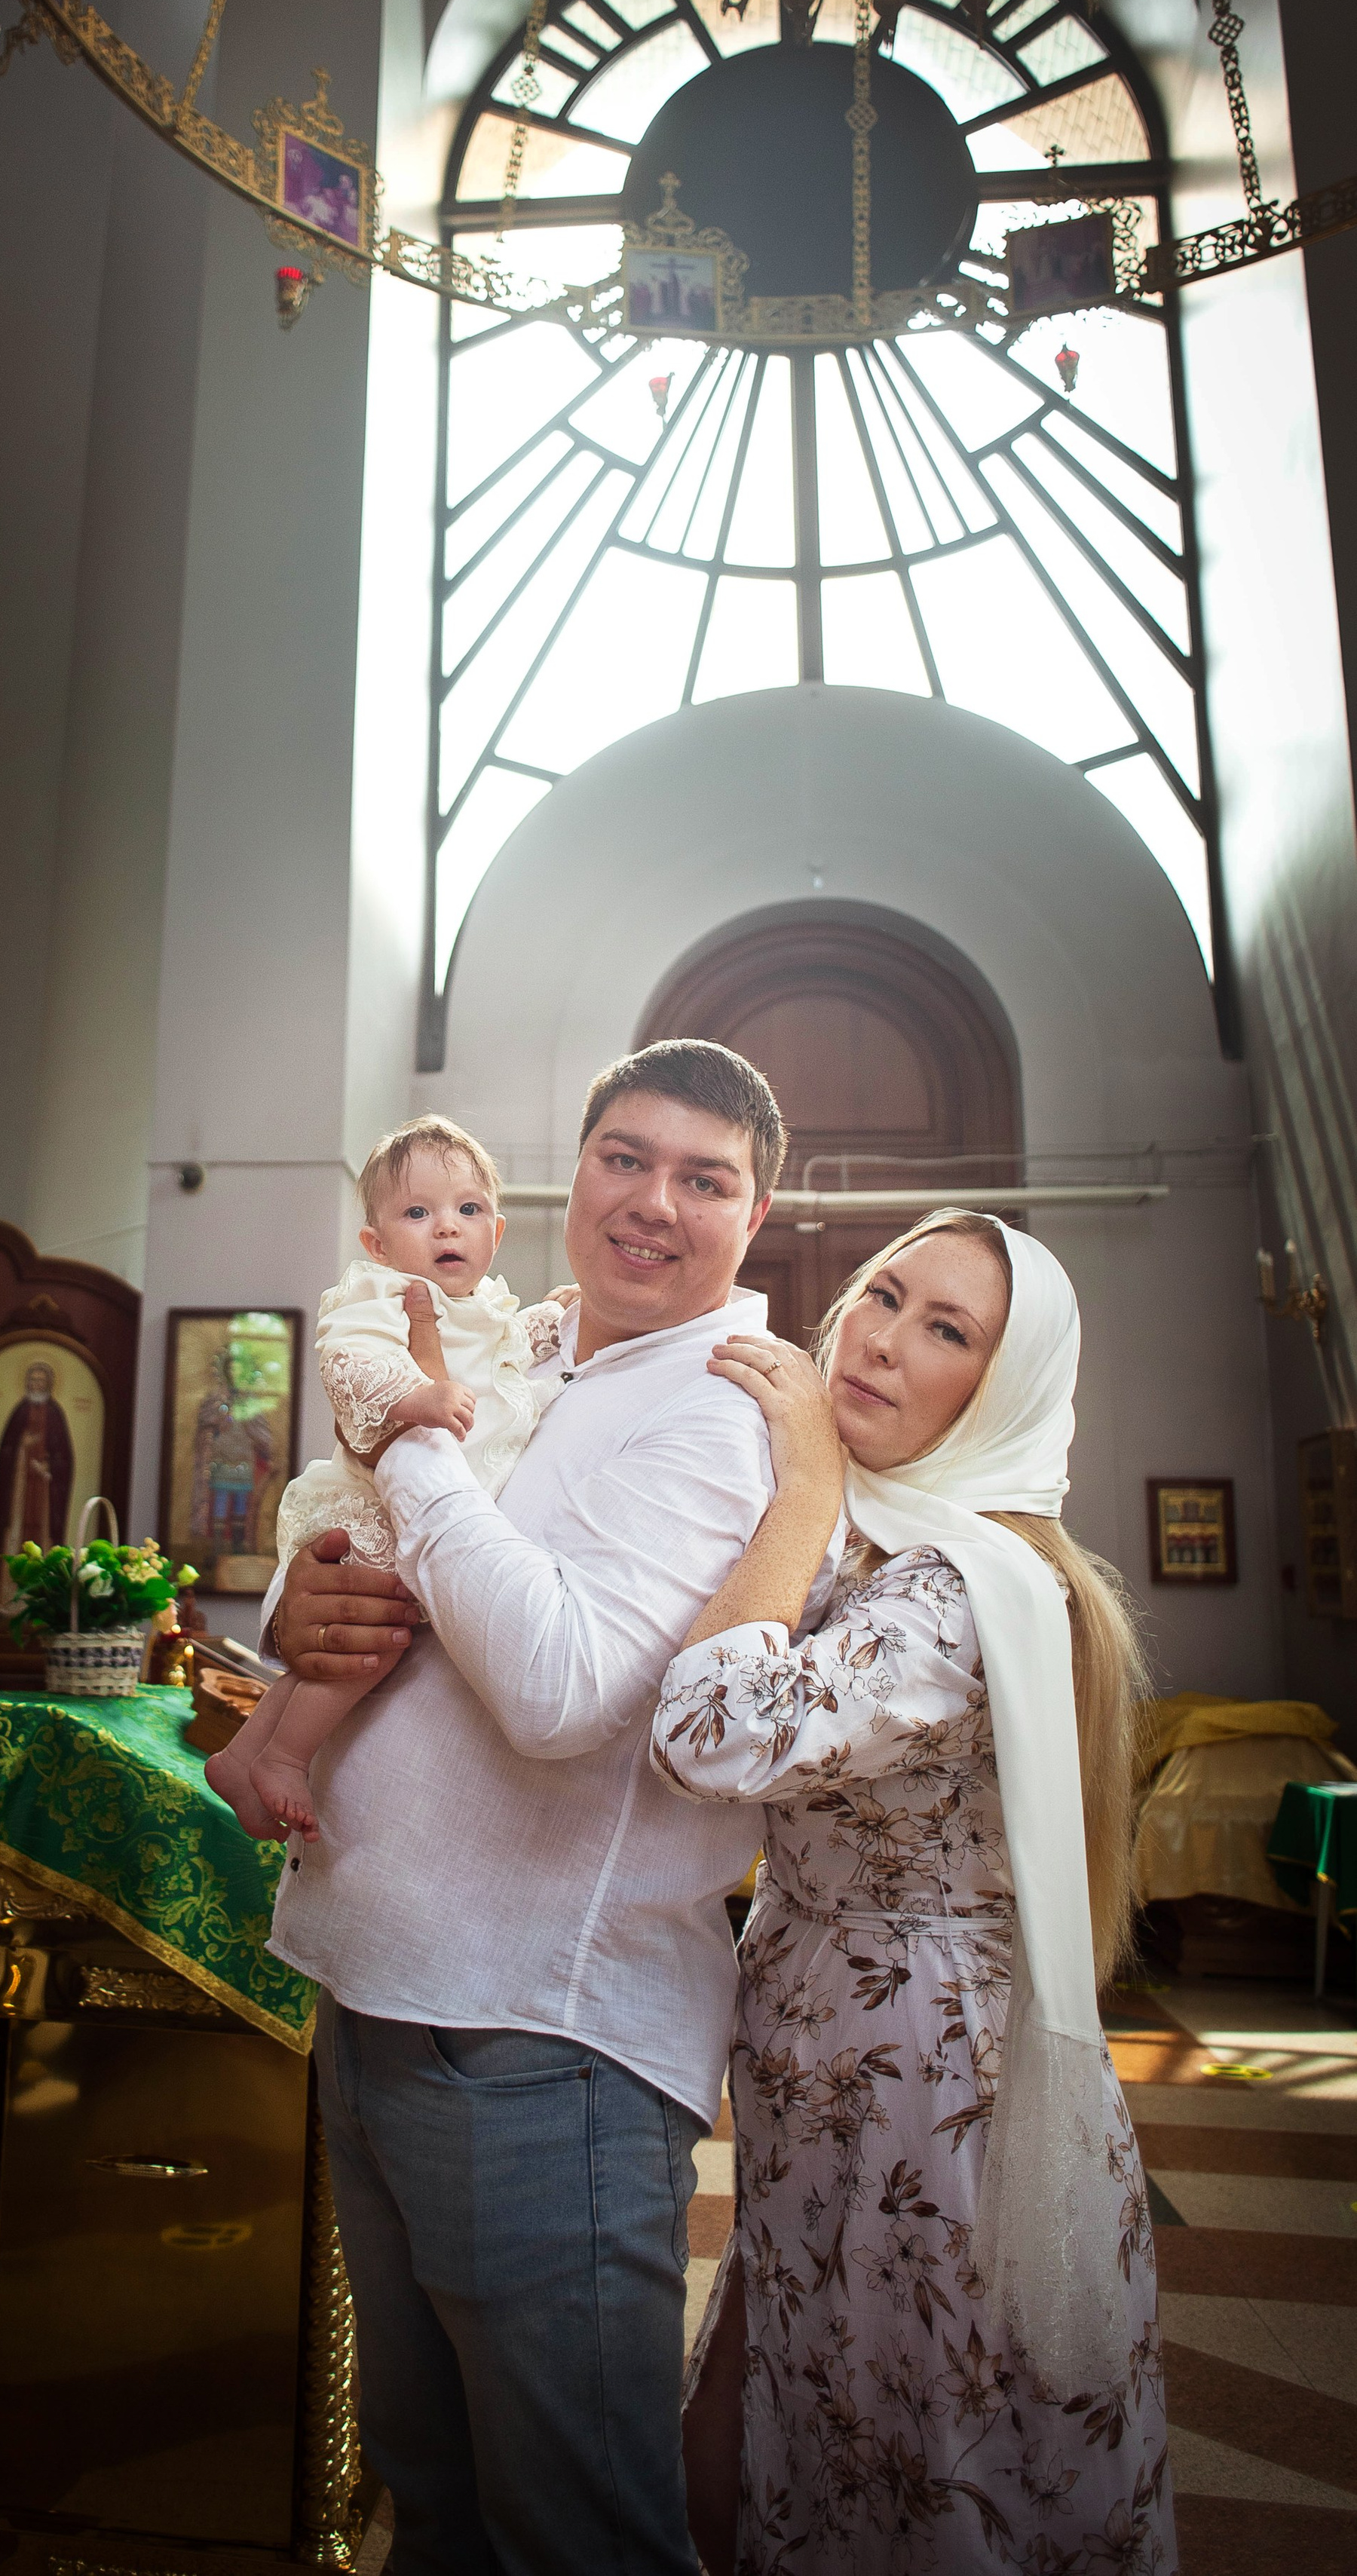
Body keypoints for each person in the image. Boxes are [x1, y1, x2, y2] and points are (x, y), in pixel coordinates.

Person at [259, 1038, 841, 2576]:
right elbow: (382, 1551)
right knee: (431, 2500)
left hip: (540, 2049)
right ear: (571, 1172)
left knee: (577, 2536)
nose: (651, 1203)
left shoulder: (724, 1412)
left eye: (702, 1180)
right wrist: (294, 1610)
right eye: (623, 1159)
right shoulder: (518, 1341)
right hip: (374, 1996)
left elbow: (559, 1689)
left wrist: (408, 1437)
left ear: (755, 1213)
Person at [654, 1212, 1173, 2574]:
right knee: (799, 2402)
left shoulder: (960, 1586)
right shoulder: (890, 1542)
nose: (882, 1339)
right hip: (835, 2051)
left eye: (947, 1330)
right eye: (884, 1295)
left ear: (1002, 1393)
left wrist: (803, 1486)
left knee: (917, 2443)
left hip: (923, 2085)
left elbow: (711, 1731)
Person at [207, 1113, 569, 1844]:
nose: (448, 1226)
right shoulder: (381, 1295)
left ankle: (243, 1755)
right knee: (368, 1646)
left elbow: (507, 1350)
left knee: (340, 1651)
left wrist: (552, 1316)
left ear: (496, 1233)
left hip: (418, 1512)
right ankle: (285, 1757)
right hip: (374, 1508)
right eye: (418, 1212)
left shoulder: (483, 1308)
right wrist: (416, 1396)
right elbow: (348, 1363)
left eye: (468, 1209)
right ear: (376, 1244)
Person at [0, 1358, 74, 1603]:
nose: (36, 1384)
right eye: (32, 1379)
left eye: (40, 1380)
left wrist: (50, 1468)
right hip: (20, 1487)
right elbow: (5, 1451)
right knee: (16, 1532)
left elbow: (65, 1456)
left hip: (46, 1490)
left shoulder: (55, 1413)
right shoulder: (20, 1411)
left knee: (44, 1532)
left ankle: (43, 1597)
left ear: (49, 1383)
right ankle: (12, 1597)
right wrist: (22, 1447)